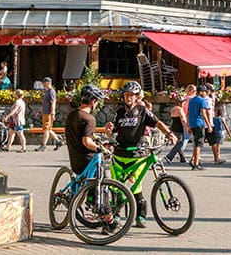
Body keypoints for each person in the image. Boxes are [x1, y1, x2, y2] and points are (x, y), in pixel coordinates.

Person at [105, 81, 176, 228]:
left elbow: (158, 123)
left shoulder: (143, 112)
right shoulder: (118, 112)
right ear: (123, 96)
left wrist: (169, 133)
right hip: (119, 155)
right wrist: (108, 129)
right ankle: (115, 215)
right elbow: (111, 131)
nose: (129, 98)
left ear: (137, 97)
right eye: (127, 95)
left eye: (132, 95)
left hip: (137, 155)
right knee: (116, 187)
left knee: (136, 187)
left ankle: (141, 216)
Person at [64, 85, 119, 234]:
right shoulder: (89, 119)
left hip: (75, 161)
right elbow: (86, 142)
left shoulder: (72, 115)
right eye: (97, 101)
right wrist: (101, 149)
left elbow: (83, 135)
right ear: (93, 101)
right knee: (103, 186)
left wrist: (96, 139)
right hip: (87, 161)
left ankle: (88, 202)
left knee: (93, 185)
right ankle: (109, 220)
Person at [187, 85, 213, 170]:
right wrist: (209, 125)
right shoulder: (202, 100)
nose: (205, 93)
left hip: (192, 124)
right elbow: (204, 114)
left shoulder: (191, 100)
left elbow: (188, 113)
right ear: (200, 92)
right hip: (199, 124)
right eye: (204, 91)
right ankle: (196, 164)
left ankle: (193, 160)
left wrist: (188, 125)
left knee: (195, 143)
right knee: (198, 145)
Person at [35, 77, 63, 151]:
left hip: (48, 113)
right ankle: (58, 141)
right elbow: (44, 104)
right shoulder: (47, 92)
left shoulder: (51, 92)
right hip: (45, 113)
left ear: (48, 83)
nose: (43, 84)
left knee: (46, 129)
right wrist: (39, 111)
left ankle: (43, 145)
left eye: (44, 83)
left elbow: (53, 103)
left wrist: (53, 113)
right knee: (48, 129)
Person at [164, 95, 189, 164]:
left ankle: (182, 158)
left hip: (174, 127)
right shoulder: (180, 109)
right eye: (182, 102)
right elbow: (183, 119)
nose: (183, 103)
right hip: (179, 128)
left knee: (178, 143)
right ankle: (169, 156)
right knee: (180, 143)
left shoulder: (173, 109)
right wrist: (186, 127)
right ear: (180, 103)